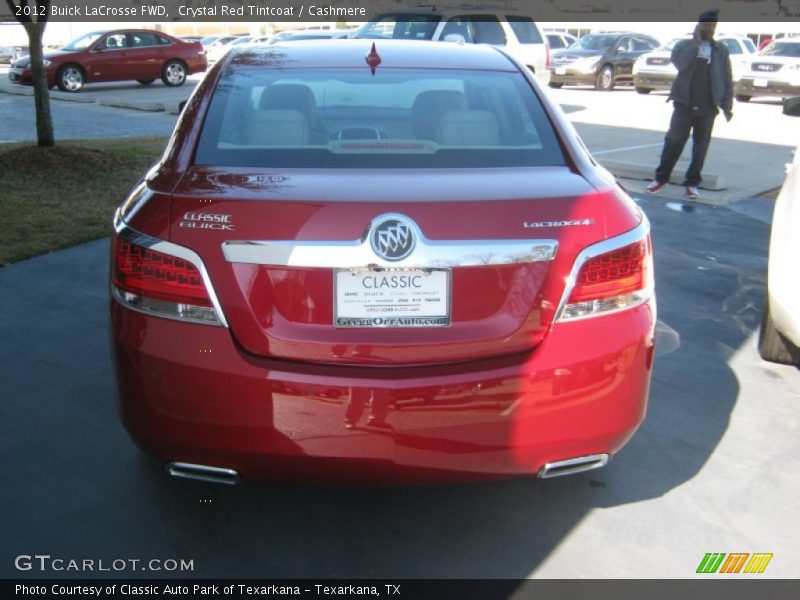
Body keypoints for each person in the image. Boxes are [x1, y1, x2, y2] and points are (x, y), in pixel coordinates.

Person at [646, 10, 733, 199]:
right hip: (684, 102)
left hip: (708, 105)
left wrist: (727, 105)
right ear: (698, 25)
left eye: (713, 26)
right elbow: (681, 64)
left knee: (701, 146)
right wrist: (696, 43)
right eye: (706, 25)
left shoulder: (720, 50)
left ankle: (692, 183)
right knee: (674, 141)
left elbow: (726, 77)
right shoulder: (683, 46)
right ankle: (661, 178)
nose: (710, 29)